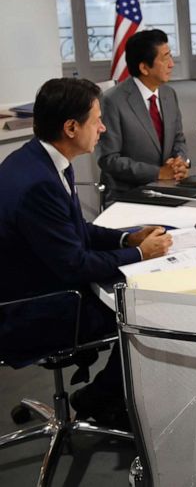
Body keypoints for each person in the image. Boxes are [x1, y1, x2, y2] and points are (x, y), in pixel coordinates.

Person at [0, 78, 172, 425]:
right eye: (97, 120)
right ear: (71, 127)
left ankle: (103, 394)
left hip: (33, 285)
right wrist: (143, 256)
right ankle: (100, 398)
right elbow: (75, 265)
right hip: (34, 309)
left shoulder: (35, 161)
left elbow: (74, 230)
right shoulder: (38, 184)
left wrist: (128, 240)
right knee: (147, 311)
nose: (103, 127)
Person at [97, 29, 189, 200]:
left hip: (169, 186)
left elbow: (178, 139)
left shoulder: (169, 94)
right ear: (144, 68)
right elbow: (108, 159)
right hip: (128, 194)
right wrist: (158, 173)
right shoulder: (112, 101)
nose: (172, 64)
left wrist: (180, 161)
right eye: (165, 58)